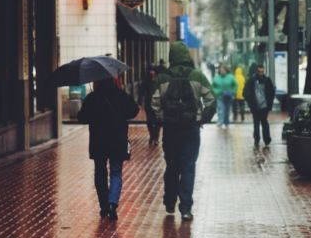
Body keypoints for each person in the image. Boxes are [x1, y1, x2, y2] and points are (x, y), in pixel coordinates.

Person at [151, 42, 216, 221]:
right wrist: (202, 119)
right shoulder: (197, 76)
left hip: (170, 129)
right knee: (188, 167)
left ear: (171, 57)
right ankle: (186, 208)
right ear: (187, 56)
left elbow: (153, 104)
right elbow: (211, 100)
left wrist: (161, 119)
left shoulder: (162, 79)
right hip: (191, 129)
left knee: (172, 166)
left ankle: (169, 202)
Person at [77, 77, 139, 220]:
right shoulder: (121, 95)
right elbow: (134, 110)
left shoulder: (92, 97)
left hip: (99, 142)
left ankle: (103, 206)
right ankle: (112, 203)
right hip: (117, 140)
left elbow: (82, 117)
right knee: (116, 172)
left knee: (100, 172)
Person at [243, 64, 275, 147]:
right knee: (256, 123)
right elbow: (246, 93)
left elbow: (271, 93)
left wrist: (269, 105)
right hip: (255, 106)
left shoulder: (267, 80)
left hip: (264, 106)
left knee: (264, 122)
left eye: (262, 71)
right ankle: (257, 139)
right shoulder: (251, 81)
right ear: (256, 71)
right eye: (259, 72)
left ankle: (266, 139)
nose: (261, 73)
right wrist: (251, 104)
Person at [138, 65, 161, 145]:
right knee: (149, 121)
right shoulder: (146, 80)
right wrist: (140, 102)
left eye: (153, 70)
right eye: (150, 70)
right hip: (148, 103)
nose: (152, 72)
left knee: (157, 121)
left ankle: (156, 137)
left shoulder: (159, 80)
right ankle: (152, 136)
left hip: (158, 103)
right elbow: (141, 91)